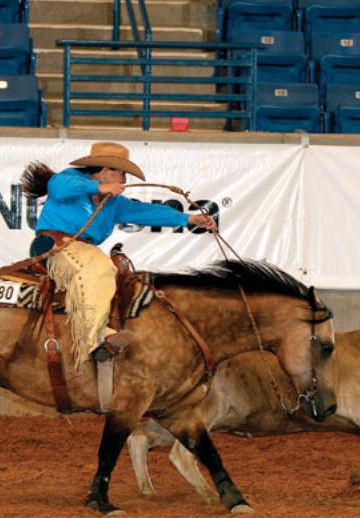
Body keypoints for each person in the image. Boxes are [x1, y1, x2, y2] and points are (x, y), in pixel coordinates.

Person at [21, 141, 216, 368]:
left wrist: (188, 219)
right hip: (54, 247)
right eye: (122, 173)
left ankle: (99, 325)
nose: (124, 181)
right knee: (100, 267)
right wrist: (99, 188)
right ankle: (93, 340)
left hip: (78, 250)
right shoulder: (68, 179)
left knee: (111, 272)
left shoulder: (113, 203)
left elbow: (145, 212)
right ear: (106, 170)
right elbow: (58, 187)